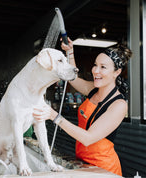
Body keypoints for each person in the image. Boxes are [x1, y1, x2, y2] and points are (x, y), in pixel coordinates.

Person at [33, 38, 132, 176]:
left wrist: (54, 116)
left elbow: (88, 138)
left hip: (104, 169)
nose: (95, 71)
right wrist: (70, 52)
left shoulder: (119, 105)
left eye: (103, 67)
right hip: (84, 163)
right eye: (95, 65)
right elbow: (73, 78)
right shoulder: (93, 89)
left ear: (117, 72)